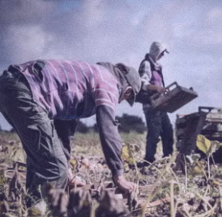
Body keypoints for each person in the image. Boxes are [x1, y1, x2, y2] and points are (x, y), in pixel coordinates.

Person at [0, 59, 141, 202]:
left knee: (43, 158)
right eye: (123, 98)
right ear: (128, 92)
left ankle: (31, 205)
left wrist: (67, 170)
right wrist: (119, 175)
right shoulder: (109, 82)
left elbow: (64, 130)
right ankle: (39, 215)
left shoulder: (88, 76)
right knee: (54, 168)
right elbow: (107, 126)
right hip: (26, 88)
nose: (119, 101)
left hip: (11, 84)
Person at [138, 42, 174, 164]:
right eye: (162, 53)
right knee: (154, 132)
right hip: (151, 105)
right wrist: (158, 89)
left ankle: (167, 158)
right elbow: (143, 83)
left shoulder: (157, 66)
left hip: (160, 104)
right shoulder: (147, 64)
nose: (163, 55)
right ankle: (148, 160)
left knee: (168, 131)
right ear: (156, 52)